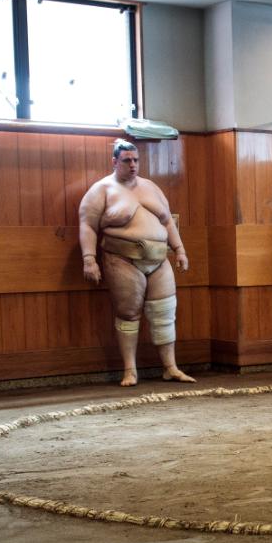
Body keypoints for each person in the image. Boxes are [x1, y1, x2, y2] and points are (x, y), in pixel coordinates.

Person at [78, 139, 196, 387]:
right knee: (129, 313)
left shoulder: (151, 187)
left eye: (136, 160)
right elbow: (87, 225)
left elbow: (168, 222)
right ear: (114, 162)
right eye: (126, 161)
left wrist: (180, 250)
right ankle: (130, 370)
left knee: (165, 312)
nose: (132, 165)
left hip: (158, 258)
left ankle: (170, 368)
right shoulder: (102, 189)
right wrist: (89, 259)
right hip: (122, 258)